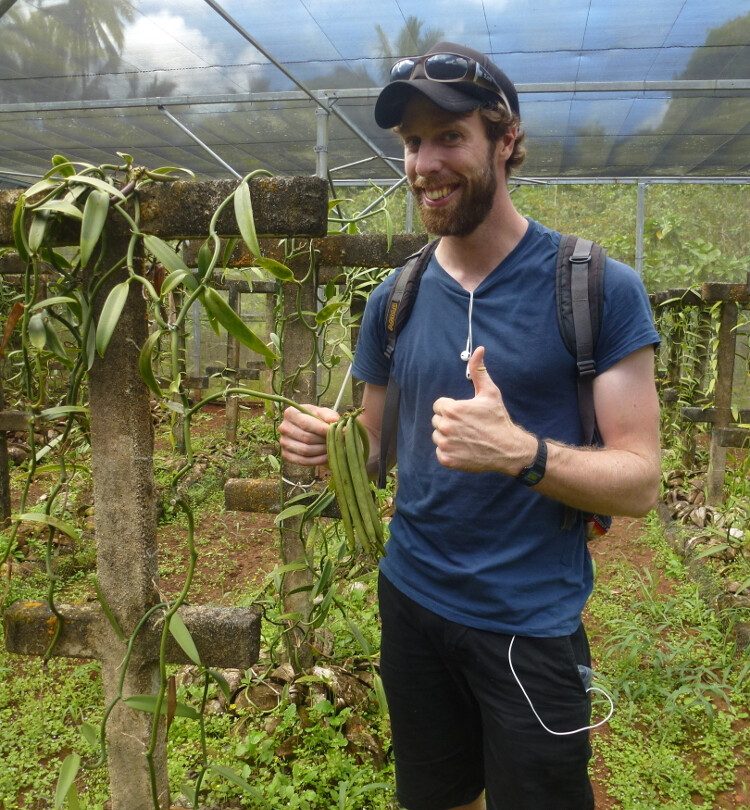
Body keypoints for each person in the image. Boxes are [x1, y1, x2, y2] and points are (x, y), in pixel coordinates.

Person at [279, 41, 661, 810]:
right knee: (436, 797)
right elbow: (379, 449)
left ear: (506, 138)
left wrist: (519, 452)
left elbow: (641, 480)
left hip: (528, 625)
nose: (424, 163)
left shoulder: (596, 289)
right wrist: (332, 446)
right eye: (413, 142)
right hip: (410, 602)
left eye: (449, 135)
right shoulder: (394, 297)